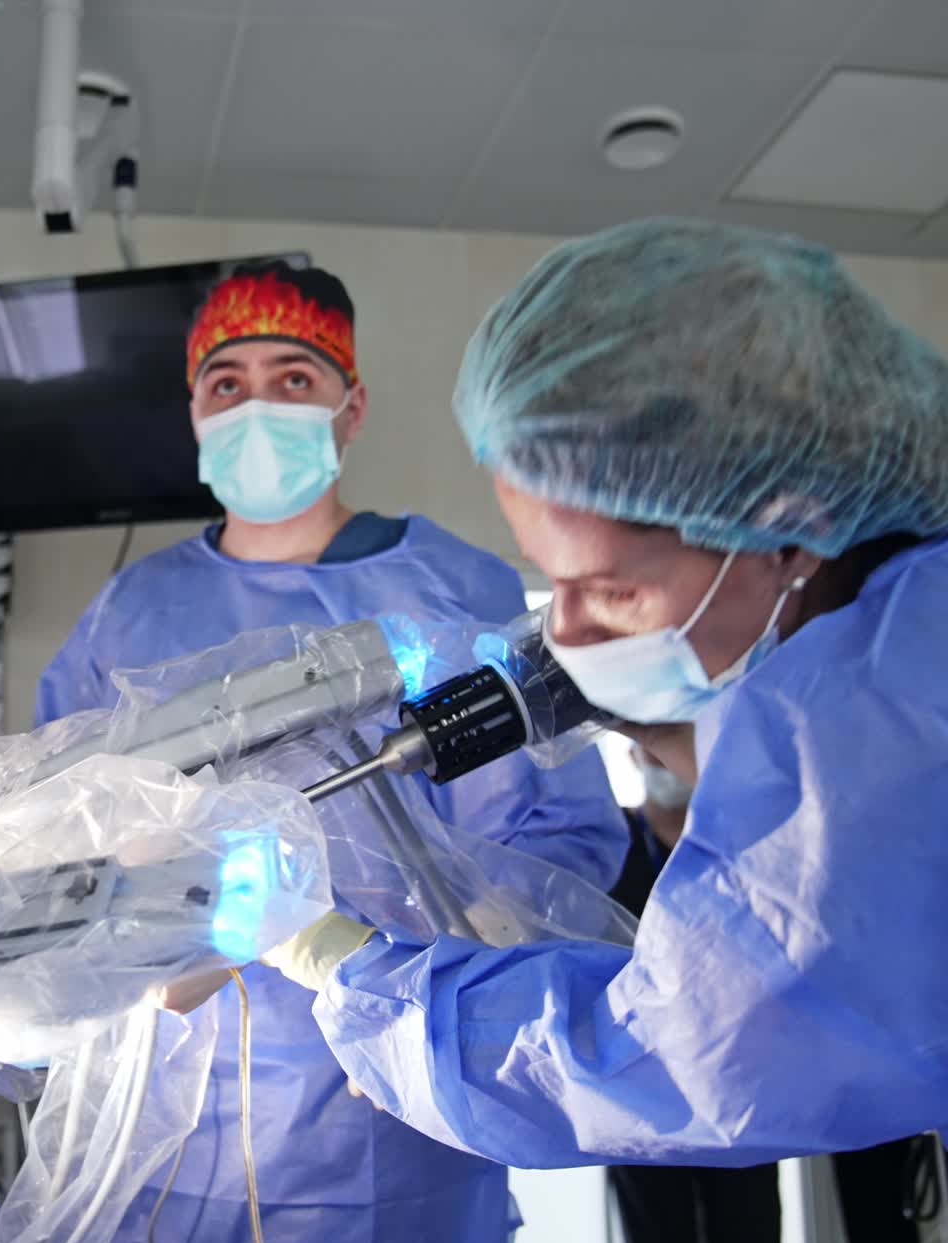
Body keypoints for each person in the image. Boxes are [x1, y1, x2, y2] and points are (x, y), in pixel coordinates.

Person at [269, 217, 948, 1169]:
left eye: (612, 590)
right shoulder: (898, 609)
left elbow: (667, 1058)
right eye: (554, 582)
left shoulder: (874, 739)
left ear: (791, 531)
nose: (569, 631)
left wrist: (341, 963)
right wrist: (627, 691)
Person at [36, 260, 628, 1243]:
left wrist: (410, 987)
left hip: (389, 1110)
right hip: (165, 1123)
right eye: (226, 383)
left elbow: (556, 849)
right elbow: (55, 836)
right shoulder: (129, 615)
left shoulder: (450, 588)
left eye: (293, 378)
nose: (255, 403)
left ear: (349, 409)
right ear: (193, 410)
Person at [607, 748, 781, 1243]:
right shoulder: (609, 845)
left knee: (748, 1240)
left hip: (737, 1081)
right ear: (634, 756)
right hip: (640, 1092)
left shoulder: (736, 841)